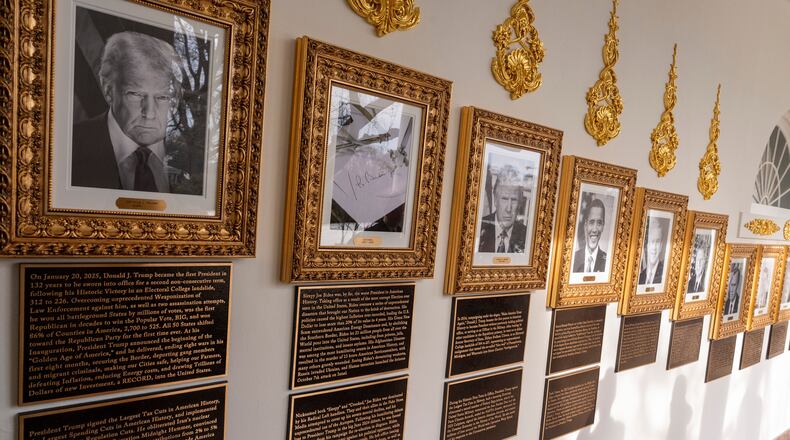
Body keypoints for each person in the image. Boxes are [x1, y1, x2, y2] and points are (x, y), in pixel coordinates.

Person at [71, 31, 186, 193]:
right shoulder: (67, 147)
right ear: (108, 90)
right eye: (135, 94)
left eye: (162, 97)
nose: (150, 113)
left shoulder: (194, 156)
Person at [478, 166, 527, 253]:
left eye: (514, 200)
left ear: (520, 203)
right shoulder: (478, 228)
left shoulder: (527, 236)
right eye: (504, 199)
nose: (508, 209)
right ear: (495, 200)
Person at [572, 198, 607, 273]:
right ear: (585, 225)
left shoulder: (608, 261)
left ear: (603, 226)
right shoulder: (573, 258)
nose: (595, 230)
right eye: (591, 222)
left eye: (599, 223)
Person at [638, 218, 666, 285]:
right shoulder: (640, 277)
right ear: (647, 245)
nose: (654, 247)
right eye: (652, 242)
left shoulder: (665, 275)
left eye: (657, 242)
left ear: (661, 245)